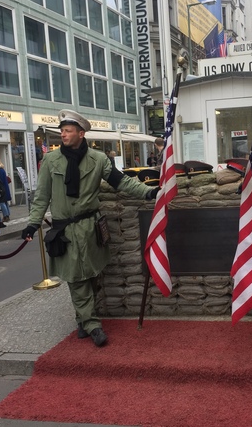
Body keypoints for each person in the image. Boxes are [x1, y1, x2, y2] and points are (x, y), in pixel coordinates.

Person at [21, 109, 160, 347]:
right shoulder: (51, 161)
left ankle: (82, 319)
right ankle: (93, 324)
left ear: (81, 133)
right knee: (76, 278)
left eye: (68, 131)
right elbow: (42, 195)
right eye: (62, 131)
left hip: (90, 228)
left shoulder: (98, 159)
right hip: (65, 231)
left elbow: (121, 182)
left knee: (93, 274)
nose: (63, 135)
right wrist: (33, 224)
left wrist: (148, 192)